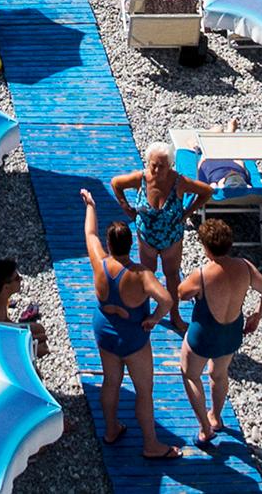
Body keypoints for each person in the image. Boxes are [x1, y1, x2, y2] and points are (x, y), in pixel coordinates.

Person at [81, 189, 180, 459]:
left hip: (105, 331)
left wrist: (91, 205)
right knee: (144, 391)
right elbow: (168, 300)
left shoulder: (99, 263)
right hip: (133, 337)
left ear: (109, 245)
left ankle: (111, 429)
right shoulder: (141, 275)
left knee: (111, 382)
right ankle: (151, 444)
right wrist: (154, 319)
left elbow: (90, 234)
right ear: (130, 244)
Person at [178, 218, 262, 448]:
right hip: (231, 331)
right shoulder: (245, 266)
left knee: (190, 375)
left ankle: (204, 429)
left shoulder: (202, 274)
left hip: (204, 332)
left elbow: (181, 294)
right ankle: (216, 417)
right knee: (219, 374)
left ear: (205, 246)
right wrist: (256, 316)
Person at [110, 145, 215, 334]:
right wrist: (126, 208)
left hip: (172, 237)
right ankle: (143, 312)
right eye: (153, 166)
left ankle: (175, 315)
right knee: (147, 275)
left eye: (162, 166)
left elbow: (206, 191)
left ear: (170, 165)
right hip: (147, 237)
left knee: (172, 275)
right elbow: (116, 183)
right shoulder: (140, 178)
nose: (157, 171)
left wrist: (188, 212)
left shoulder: (179, 182)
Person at [0, 259, 48, 355]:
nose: (20, 279)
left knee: (39, 330)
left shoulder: (0, 293)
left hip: (1, 331)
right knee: (42, 347)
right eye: (16, 278)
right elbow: (2, 343)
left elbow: (5, 322)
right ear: (6, 287)